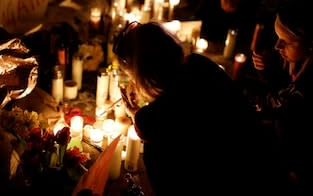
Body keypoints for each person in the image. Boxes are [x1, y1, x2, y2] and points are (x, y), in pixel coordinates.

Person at [113, 21, 269, 195]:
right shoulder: (199, 63)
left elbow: (153, 126)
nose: (133, 81)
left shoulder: (159, 116)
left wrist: (135, 113)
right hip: (259, 159)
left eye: (133, 75)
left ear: (145, 72)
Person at [251, 0, 313, 192]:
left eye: (286, 42)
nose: (277, 46)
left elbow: (277, 103)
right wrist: (268, 70)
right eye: (277, 37)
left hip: (304, 159)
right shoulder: (299, 57)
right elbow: (283, 88)